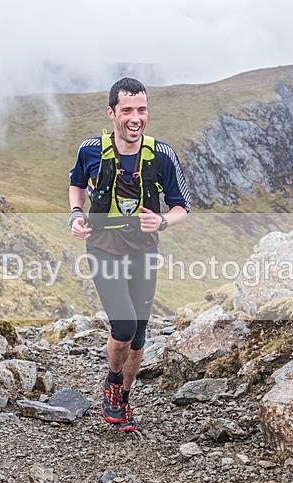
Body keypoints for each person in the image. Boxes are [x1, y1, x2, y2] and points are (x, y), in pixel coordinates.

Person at [68, 77, 191, 432]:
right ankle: (111, 382)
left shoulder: (162, 155)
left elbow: (182, 206)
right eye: (127, 110)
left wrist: (163, 221)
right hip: (103, 249)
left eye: (141, 109)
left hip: (144, 253)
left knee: (138, 339)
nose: (135, 118)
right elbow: (76, 184)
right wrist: (76, 215)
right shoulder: (90, 150)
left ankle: (123, 396)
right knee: (122, 327)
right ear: (112, 113)